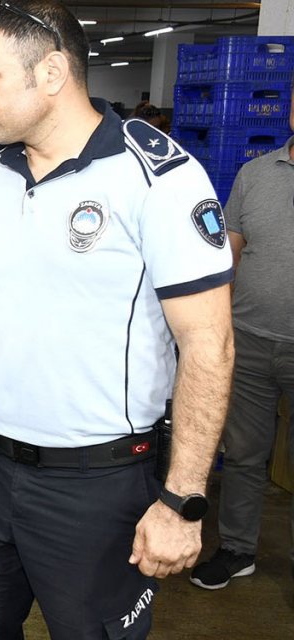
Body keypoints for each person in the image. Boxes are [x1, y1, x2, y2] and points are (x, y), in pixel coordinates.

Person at [0, 2, 235, 638]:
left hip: (96, 485)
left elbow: (210, 344)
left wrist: (181, 502)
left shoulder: (158, 178)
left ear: (53, 72)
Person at [190, 92, 294, 591]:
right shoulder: (256, 174)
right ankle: (237, 549)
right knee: (244, 453)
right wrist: (217, 324)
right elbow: (230, 252)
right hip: (249, 339)